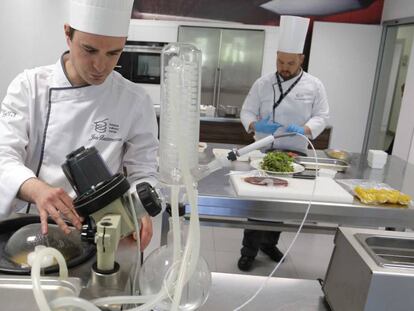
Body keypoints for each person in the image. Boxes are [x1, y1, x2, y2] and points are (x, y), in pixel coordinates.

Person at [0, 0, 158, 251]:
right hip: (33, 228)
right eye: (89, 50)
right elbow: (3, 157)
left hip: (103, 232)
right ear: (67, 34)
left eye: (113, 53)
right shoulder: (29, 87)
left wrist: (137, 205)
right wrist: (38, 189)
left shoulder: (134, 101)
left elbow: (144, 170)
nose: (100, 66)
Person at [238, 16, 329, 271]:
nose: (284, 67)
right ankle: (249, 251)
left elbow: (322, 115)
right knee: (259, 201)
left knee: (283, 204)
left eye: (290, 62)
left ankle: (269, 243)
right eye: (280, 61)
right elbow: (246, 112)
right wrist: (256, 125)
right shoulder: (263, 83)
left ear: (301, 59)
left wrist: (307, 129)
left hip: (296, 152)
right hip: (264, 150)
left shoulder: (314, 86)